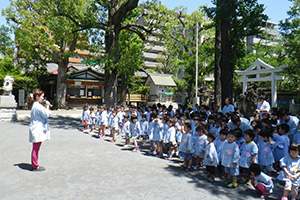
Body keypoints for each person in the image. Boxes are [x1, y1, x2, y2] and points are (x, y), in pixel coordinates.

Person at [29, 89, 51, 171]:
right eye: (42, 96)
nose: (43, 98)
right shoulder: (37, 106)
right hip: (37, 128)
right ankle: (35, 165)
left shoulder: (36, 105)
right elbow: (46, 114)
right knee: (36, 148)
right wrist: (47, 106)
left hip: (36, 127)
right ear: (37, 97)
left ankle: (35, 164)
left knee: (36, 147)